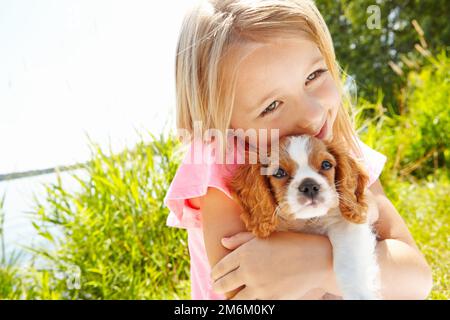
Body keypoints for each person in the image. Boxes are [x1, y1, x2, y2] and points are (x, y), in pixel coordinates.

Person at [164, 0, 432, 300]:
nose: (312, 113)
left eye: (313, 75)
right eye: (271, 106)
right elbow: (240, 296)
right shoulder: (220, 158)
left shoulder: (343, 152)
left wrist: (318, 264)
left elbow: (416, 280)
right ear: (224, 125)